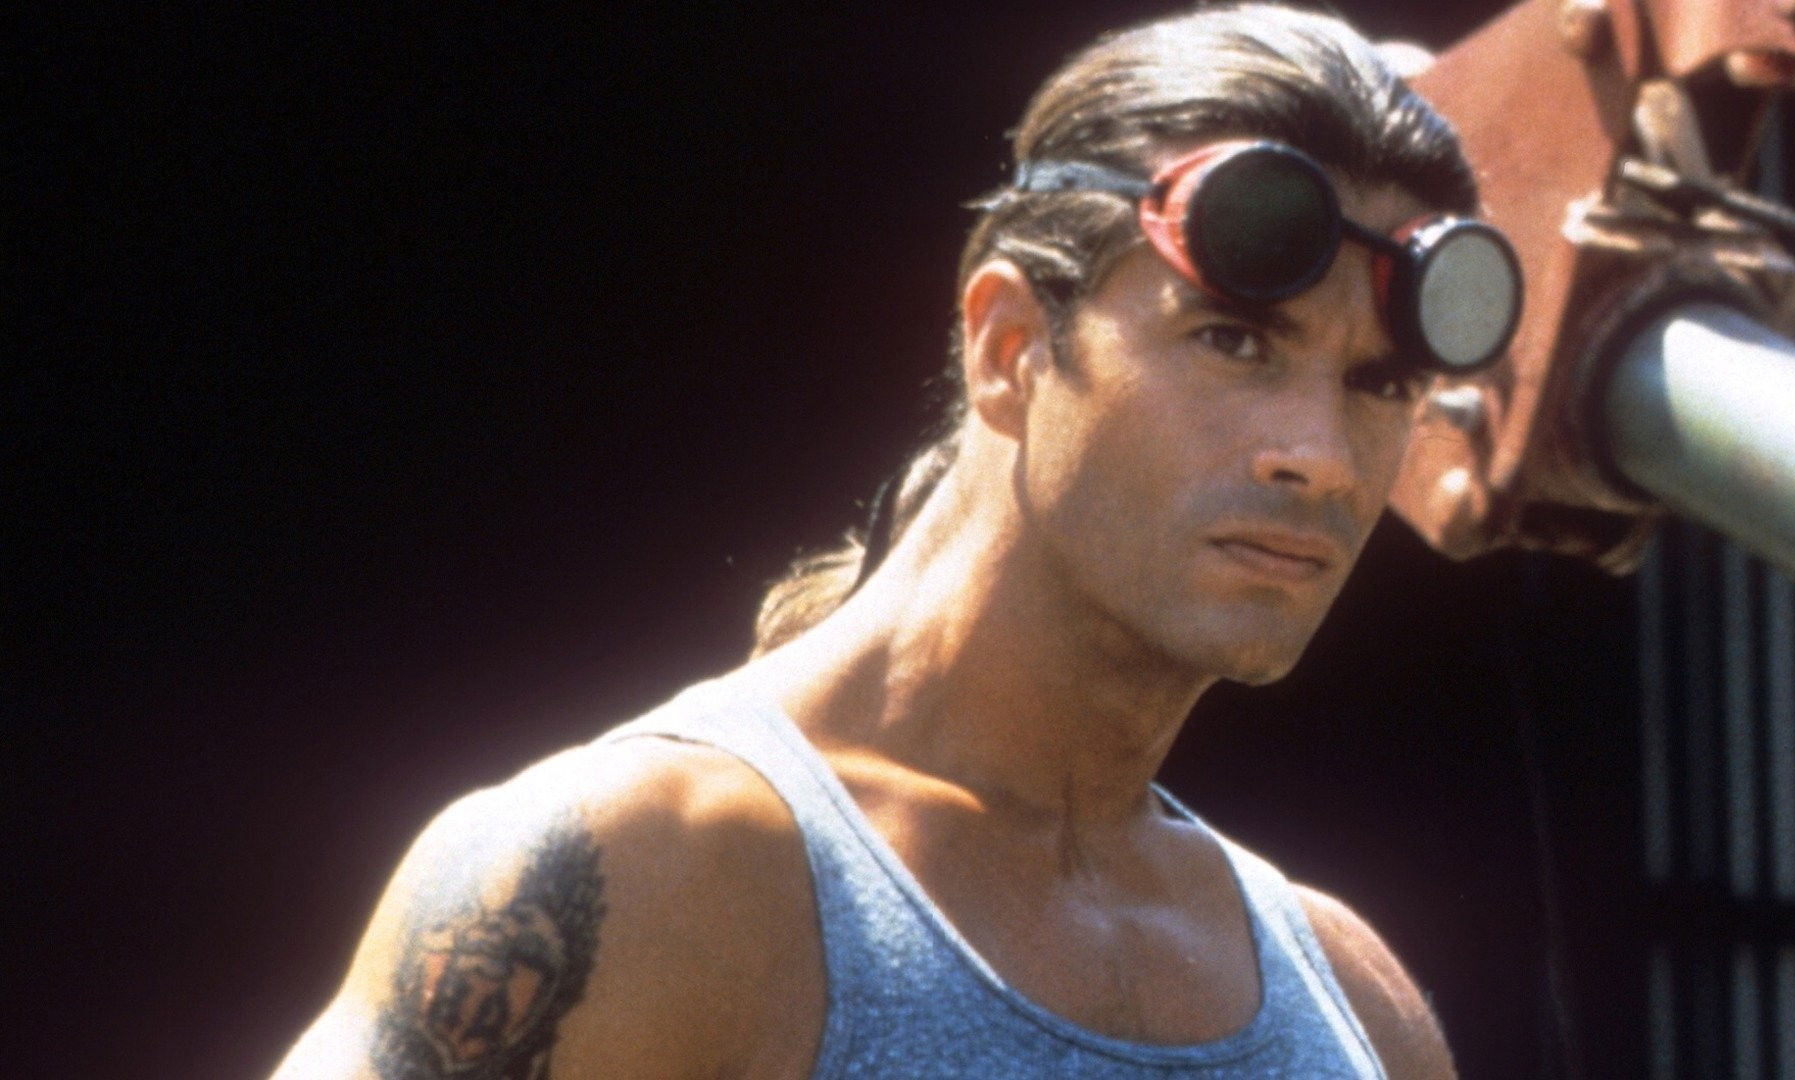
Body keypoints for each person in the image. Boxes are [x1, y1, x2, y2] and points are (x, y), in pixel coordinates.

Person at [274, 4, 1501, 1077]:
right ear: (1010, 348)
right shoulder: (655, 877)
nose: (1321, 456)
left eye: (1379, 385)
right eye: (1234, 342)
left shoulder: (1355, 1005)